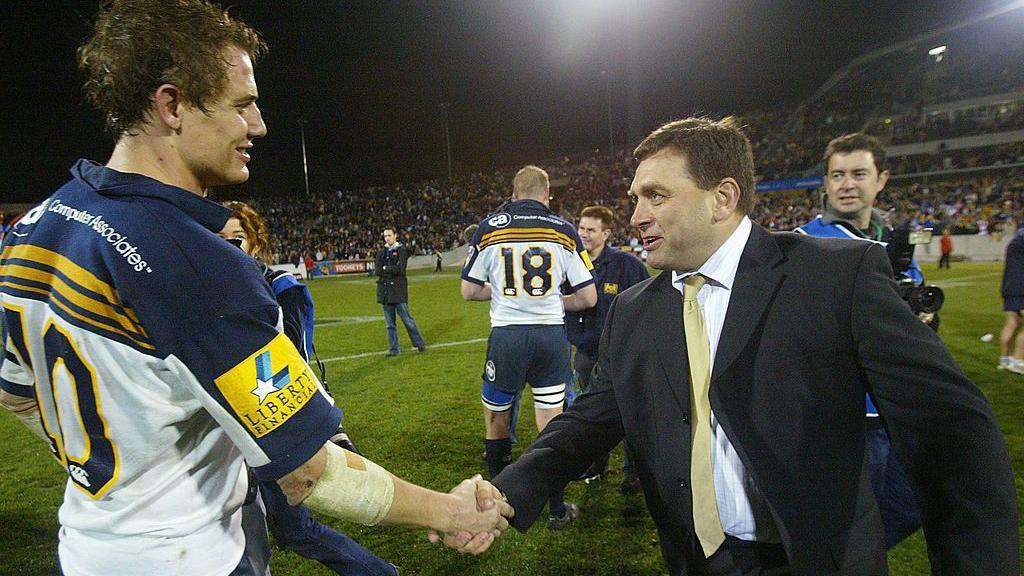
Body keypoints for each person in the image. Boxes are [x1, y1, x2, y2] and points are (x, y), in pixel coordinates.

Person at [0, 3, 509, 574]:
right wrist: (450, 513)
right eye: (242, 105)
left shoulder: (35, 225)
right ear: (172, 105)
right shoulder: (197, 266)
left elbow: (17, 392)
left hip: (87, 550)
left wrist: (114, 463)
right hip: (192, 558)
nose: (259, 125)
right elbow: (308, 471)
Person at [491, 117, 1018, 575]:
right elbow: (592, 417)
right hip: (696, 562)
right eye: (635, 199)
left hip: (817, 562)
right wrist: (509, 490)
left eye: (656, 196)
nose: (636, 216)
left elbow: (955, 437)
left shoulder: (835, 277)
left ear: (722, 197)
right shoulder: (633, 311)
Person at [220, 201, 396, 576]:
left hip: (269, 421)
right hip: (226, 430)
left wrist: (321, 426)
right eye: (219, 239)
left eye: (238, 238)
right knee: (245, 531)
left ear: (256, 241)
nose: (229, 247)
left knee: (293, 530)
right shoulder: (211, 288)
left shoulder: (281, 286)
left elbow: (293, 360)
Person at [794, 132, 930, 548]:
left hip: (899, 406)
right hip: (848, 412)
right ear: (826, 183)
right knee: (850, 521)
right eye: (837, 175)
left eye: (858, 174)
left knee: (911, 507)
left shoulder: (894, 243)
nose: (847, 184)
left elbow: (915, 303)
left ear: (881, 179)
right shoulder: (803, 243)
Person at [461, 165, 597, 530]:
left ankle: (494, 506)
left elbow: (469, 290)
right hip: (550, 338)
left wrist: (506, 293)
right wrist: (553, 301)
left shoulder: (490, 228)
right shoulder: (565, 231)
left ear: (514, 191)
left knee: (497, 420)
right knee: (550, 427)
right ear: (546, 193)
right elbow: (588, 296)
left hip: (507, 337)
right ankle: (554, 509)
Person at [564, 205, 649, 492]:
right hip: (586, 354)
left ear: (606, 233)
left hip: (622, 355)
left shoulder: (628, 266)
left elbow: (647, 306)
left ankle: (634, 472)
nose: (583, 234)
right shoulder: (570, 264)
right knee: (590, 413)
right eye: (581, 228)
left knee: (629, 413)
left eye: (590, 229)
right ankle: (596, 465)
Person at [375, 228, 426, 356]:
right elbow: (378, 271)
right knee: (389, 324)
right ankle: (394, 350)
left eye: (389, 235)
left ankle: (419, 343)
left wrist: (386, 268)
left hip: (398, 291)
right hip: (385, 292)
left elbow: (401, 269)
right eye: (385, 236)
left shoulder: (401, 250)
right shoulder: (381, 252)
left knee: (407, 319)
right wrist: (390, 269)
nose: (387, 238)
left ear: (395, 236)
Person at [999, 226, 1024, 372]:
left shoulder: (1014, 242)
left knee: (1012, 323)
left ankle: (1004, 360)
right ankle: (1019, 361)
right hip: (1022, 287)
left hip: (1009, 286)